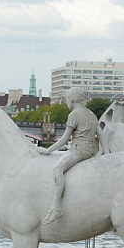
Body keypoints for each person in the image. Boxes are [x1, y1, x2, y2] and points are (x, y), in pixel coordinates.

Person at [39, 88, 103, 224]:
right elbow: (101, 135)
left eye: (67, 100)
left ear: (72, 100)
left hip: (78, 150)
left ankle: (55, 207)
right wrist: (102, 153)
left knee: (57, 169)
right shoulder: (91, 114)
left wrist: (47, 151)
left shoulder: (74, 114)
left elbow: (64, 139)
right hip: (90, 151)